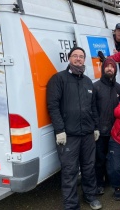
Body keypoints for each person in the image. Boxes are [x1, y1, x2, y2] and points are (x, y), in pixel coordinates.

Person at [46, 47, 102, 210]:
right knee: (70, 171)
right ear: (69, 58)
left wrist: (96, 127)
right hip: (68, 135)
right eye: (75, 56)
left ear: (84, 60)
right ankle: (71, 205)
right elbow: (53, 106)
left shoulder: (87, 82)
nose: (78, 59)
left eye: (81, 56)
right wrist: (59, 130)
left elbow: (93, 108)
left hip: (87, 134)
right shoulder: (59, 79)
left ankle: (90, 196)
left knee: (89, 167)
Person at [93, 58, 120, 195]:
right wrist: (95, 127)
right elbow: (92, 109)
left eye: (112, 66)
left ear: (115, 69)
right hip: (100, 131)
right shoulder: (96, 86)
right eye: (107, 66)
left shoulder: (119, 88)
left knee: (112, 158)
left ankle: (110, 180)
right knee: (99, 159)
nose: (109, 68)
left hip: (114, 131)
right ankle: (99, 183)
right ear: (103, 68)